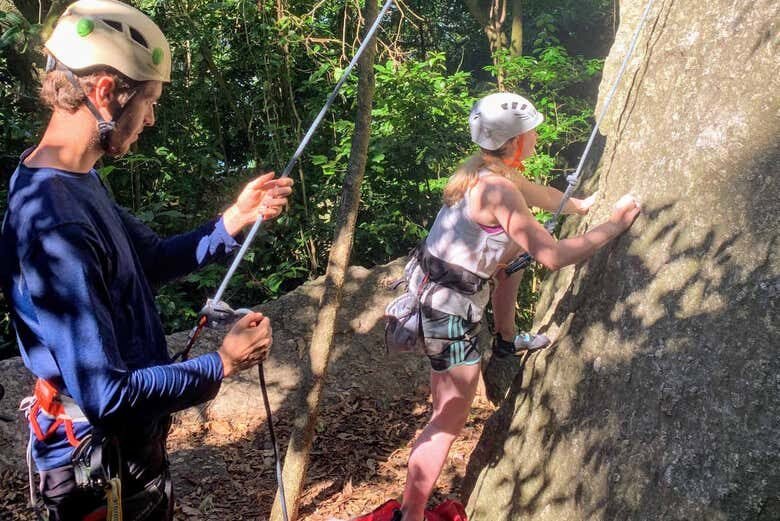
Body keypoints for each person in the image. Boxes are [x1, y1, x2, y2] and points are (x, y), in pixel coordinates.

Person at [0, 0, 293, 519]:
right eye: (150, 100)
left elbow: (149, 261)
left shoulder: (70, 178)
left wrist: (235, 218)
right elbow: (107, 396)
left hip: (123, 452)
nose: (152, 118)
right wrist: (223, 363)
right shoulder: (57, 223)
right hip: (96, 468)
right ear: (104, 91)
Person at [398, 92, 641, 521]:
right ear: (514, 141)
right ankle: (411, 514)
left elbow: (537, 193)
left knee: (512, 257)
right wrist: (613, 225)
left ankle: (508, 340)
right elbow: (554, 256)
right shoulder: (498, 189)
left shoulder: (481, 170)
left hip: (436, 294)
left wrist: (580, 205)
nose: (537, 137)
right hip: (448, 312)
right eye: (531, 132)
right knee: (446, 421)